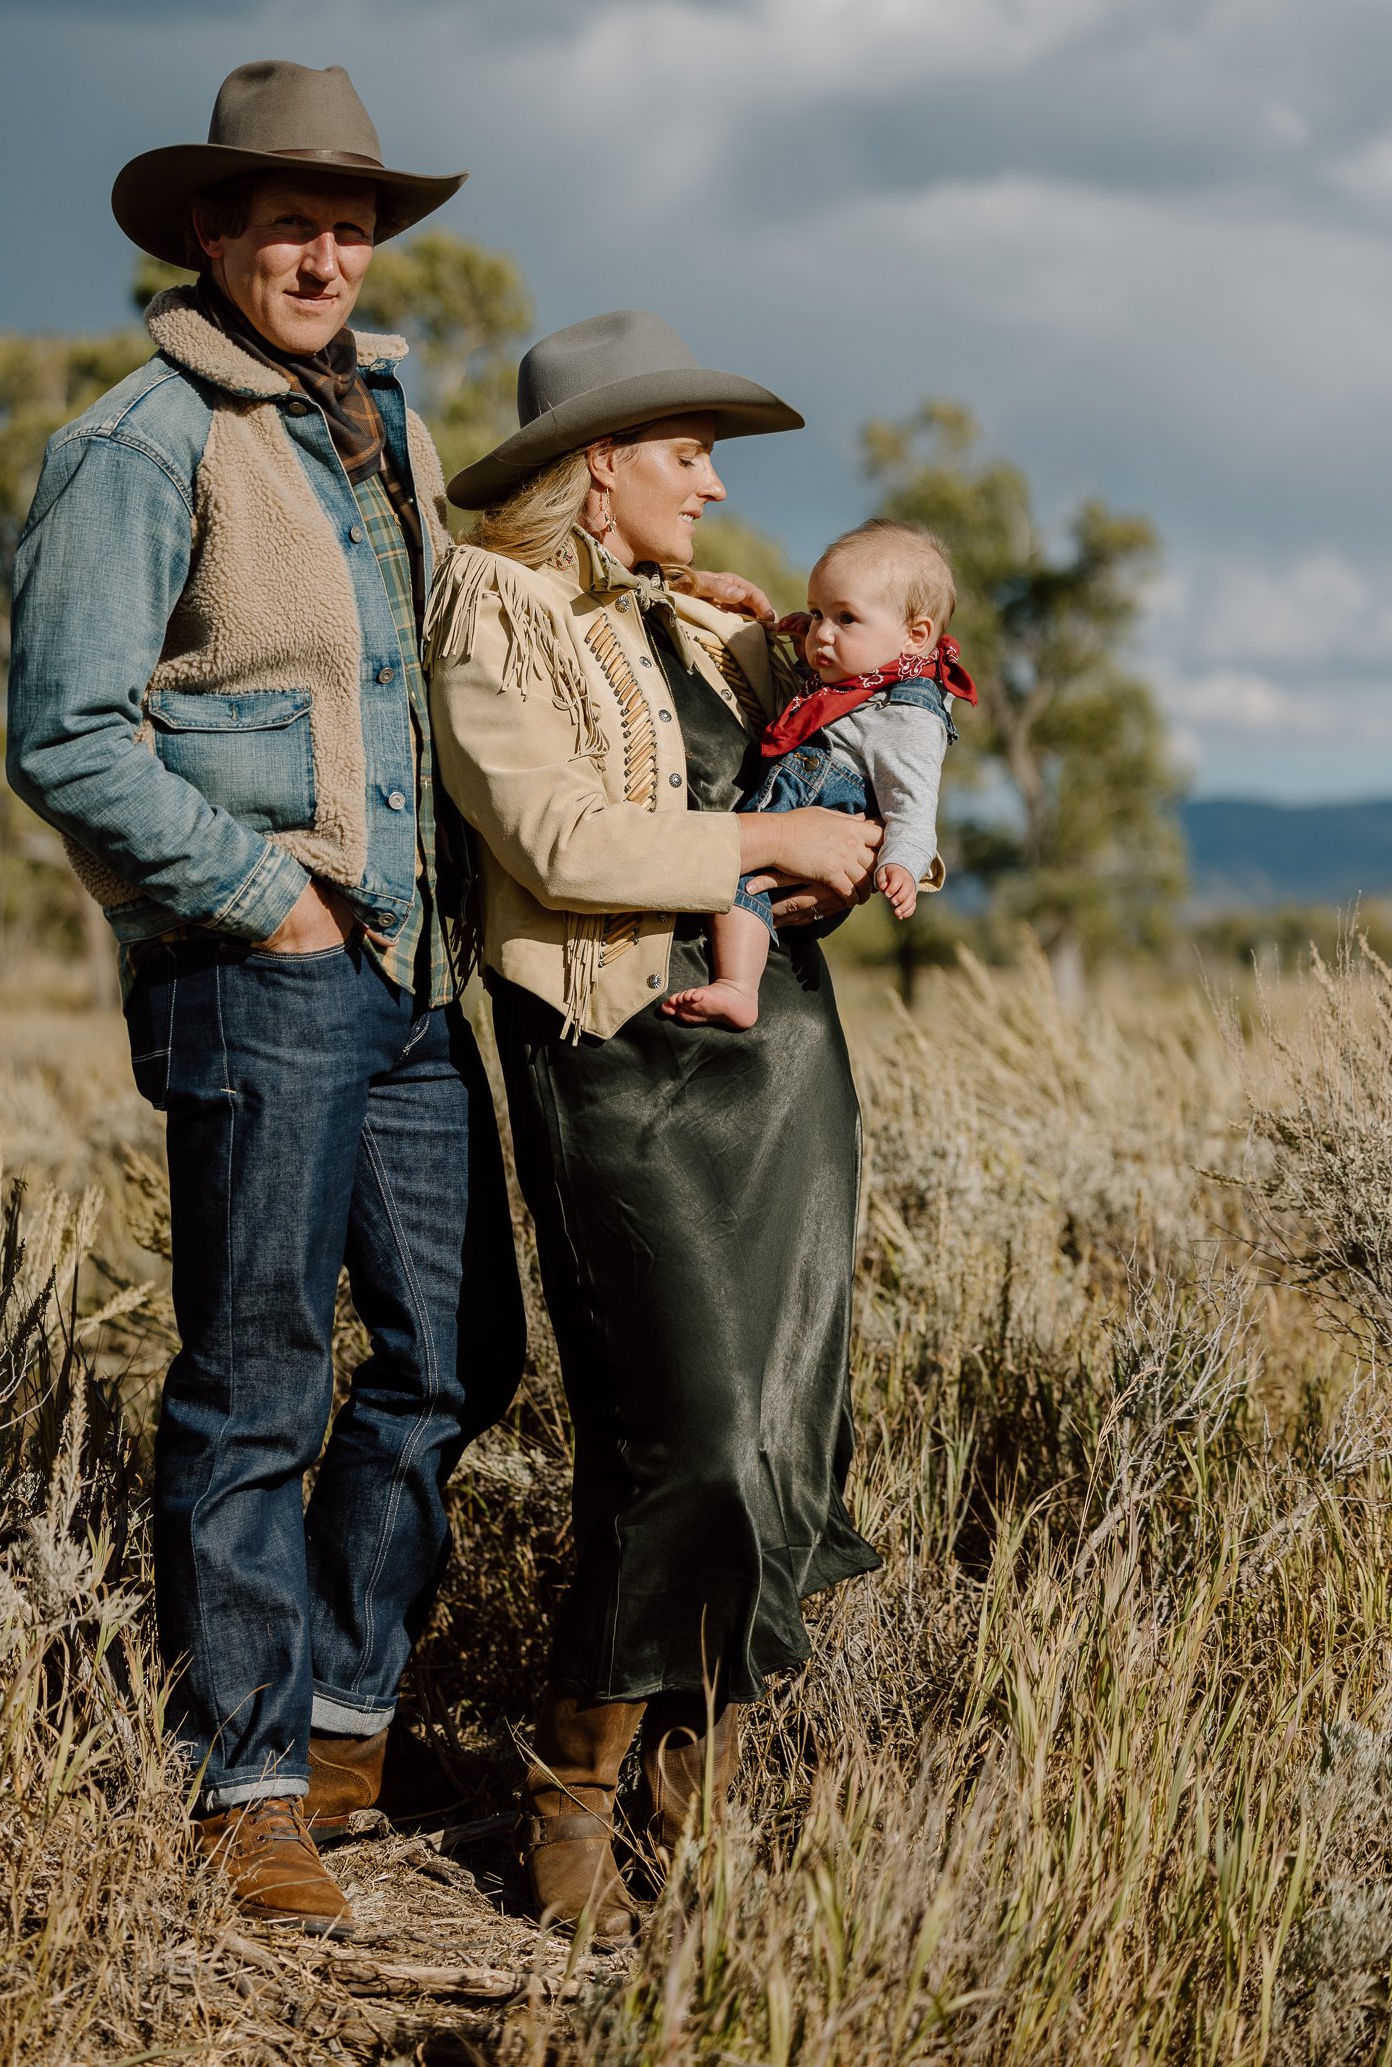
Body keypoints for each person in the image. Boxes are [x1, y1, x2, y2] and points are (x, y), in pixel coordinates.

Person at [4, 59, 525, 1937]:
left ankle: (338, 1711)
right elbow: (67, 739)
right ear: (210, 235)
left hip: (411, 977)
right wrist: (262, 902)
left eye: (348, 220)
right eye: (284, 220)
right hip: (264, 972)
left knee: (459, 1359)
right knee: (252, 1387)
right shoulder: (143, 441)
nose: (323, 250)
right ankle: (245, 1786)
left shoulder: (385, 421)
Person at [425, 308, 886, 1946]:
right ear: (593, 464)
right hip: (613, 1056)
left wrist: (821, 676)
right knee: (678, 1432)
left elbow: (816, 745)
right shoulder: (493, 609)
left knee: (776, 1440)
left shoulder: (685, 623)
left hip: (777, 1071)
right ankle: (572, 1780)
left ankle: (684, 1811)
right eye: (683, 454)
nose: (707, 485)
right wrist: (778, 836)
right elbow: (553, 838)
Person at [662, 519, 974, 1030]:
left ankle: (737, 987)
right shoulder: (864, 676)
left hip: (819, 813)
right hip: (805, 803)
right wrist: (806, 630)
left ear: (916, 636)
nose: (821, 633)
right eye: (816, 613)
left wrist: (900, 866)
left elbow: (913, 808)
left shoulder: (909, 717)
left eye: (845, 618)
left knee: (736, 882)